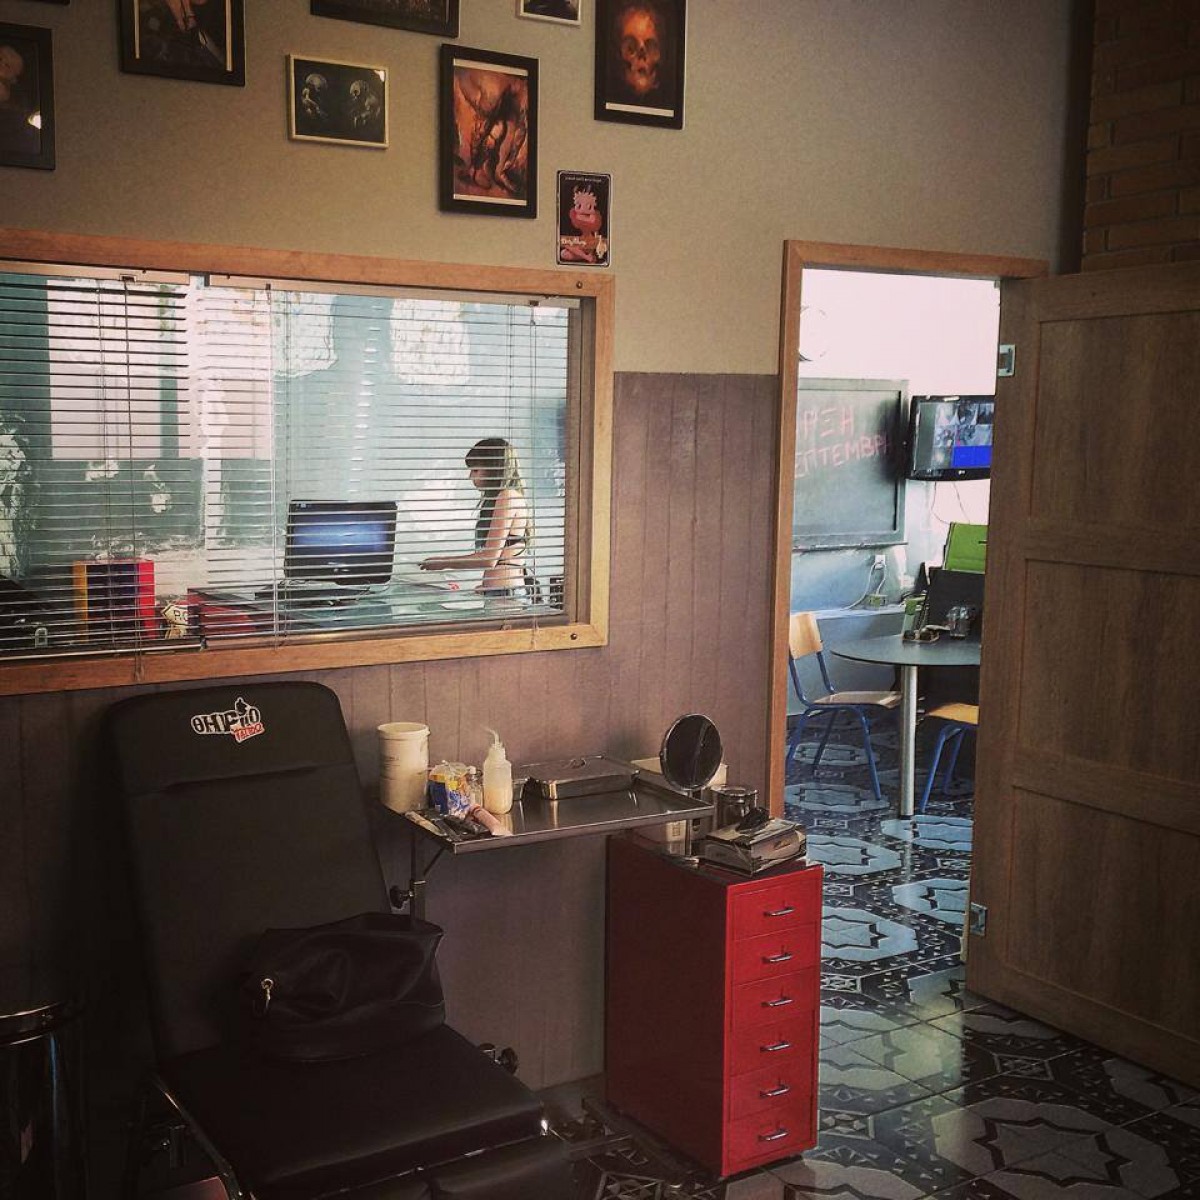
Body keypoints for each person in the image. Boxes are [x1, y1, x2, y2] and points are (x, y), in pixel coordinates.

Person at [420, 438, 535, 597]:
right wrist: (487, 585)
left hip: (505, 594)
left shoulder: (507, 497)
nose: (470, 477)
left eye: (475, 470)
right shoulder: (510, 497)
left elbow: (489, 558)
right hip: (503, 591)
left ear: (493, 468)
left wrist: (442, 562)